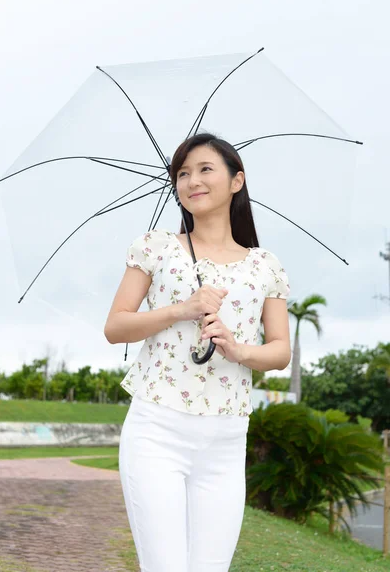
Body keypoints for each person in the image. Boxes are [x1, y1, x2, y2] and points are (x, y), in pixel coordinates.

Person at [104, 132, 291, 572]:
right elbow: (116, 327)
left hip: (226, 438)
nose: (192, 181)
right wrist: (181, 309)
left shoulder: (265, 265)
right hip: (157, 430)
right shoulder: (157, 247)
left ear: (236, 181)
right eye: (182, 173)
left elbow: (280, 351)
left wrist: (237, 348)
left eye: (205, 169)